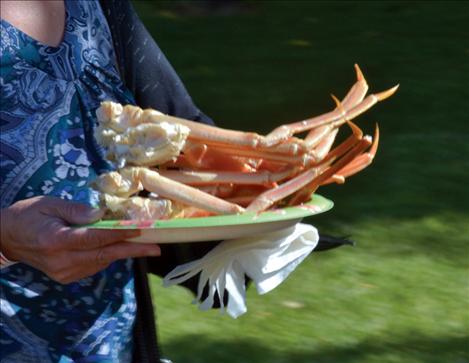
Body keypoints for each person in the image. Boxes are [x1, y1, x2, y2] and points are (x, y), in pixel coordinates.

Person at [1, 1, 351, 362]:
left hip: (110, 344)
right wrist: (5, 241)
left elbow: (182, 133)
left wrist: (271, 187)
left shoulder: (95, 7)